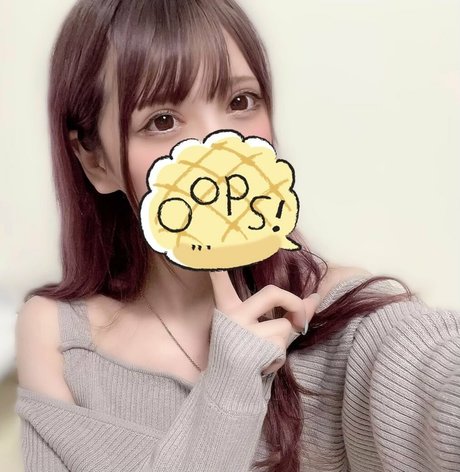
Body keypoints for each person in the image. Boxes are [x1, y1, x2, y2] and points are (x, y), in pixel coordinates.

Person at [14, 0, 460, 471]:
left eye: (241, 102)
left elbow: (437, 379)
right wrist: (230, 385)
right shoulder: (58, 338)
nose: (222, 147)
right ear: (95, 160)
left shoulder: (340, 314)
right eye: (162, 121)